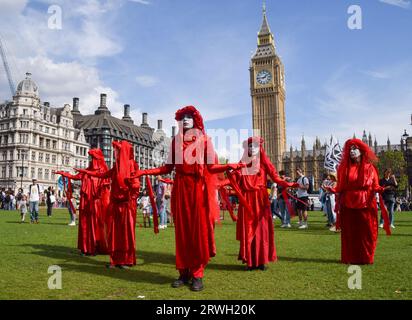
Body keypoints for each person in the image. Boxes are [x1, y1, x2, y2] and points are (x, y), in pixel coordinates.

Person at [139, 105, 242, 291]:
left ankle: (197, 274)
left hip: (198, 189)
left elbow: (211, 167)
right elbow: (167, 168)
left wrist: (230, 166)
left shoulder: (204, 140)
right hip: (181, 189)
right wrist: (145, 171)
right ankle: (183, 272)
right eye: (182, 117)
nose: (185, 119)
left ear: (196, 120)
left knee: (198, 233)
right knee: (183, 233)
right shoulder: (175, 141)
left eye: (189, 116)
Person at [231, 137, 297, 271]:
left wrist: (289, 184)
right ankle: (250, 261)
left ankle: (261, 261)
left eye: (254, 146)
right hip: (247, 199)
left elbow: (276, 178)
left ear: (260, 148)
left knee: (261, 230)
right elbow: (234, 177)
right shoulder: (243, 163)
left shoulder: (264, 163)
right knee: (248, 229)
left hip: (261, 199)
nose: (252, 148)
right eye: (249, 146)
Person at [77, 142, 141, 269]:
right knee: (114, 233)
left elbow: (136, 185)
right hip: (115, 205)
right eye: (115, 150)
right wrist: (85, 171)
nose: (115, 152)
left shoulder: (131, 165)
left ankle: (126, 260)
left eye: (117, 150)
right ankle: (116, 260)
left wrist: (131, 186)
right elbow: (103, 175)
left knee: (125, 233)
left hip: (126, 205)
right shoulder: (116, 167)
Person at [327, 138, 390, 265]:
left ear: (361, 151)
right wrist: (332, 189)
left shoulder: (369, 168)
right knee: (350, 232)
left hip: (366, 203)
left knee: (367, 232)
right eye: (350, 149)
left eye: (354, 149)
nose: (352, 151)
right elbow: (340, 187)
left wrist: (382, 189)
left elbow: (374, 185)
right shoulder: (344, 168)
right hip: (348, 204)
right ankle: (350, 257)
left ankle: (366, 257)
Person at [56, 149, 111, 255]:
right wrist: (63, 173)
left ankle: (94, 246)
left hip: (95, 202)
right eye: (91, 157)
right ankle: (86, 247)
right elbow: (75, 177)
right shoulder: (87, 170)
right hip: (85, 202)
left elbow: (106, 187)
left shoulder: (103, 171)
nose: (91, 160)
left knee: (94, 224)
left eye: (93, 157)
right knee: (85, 224)